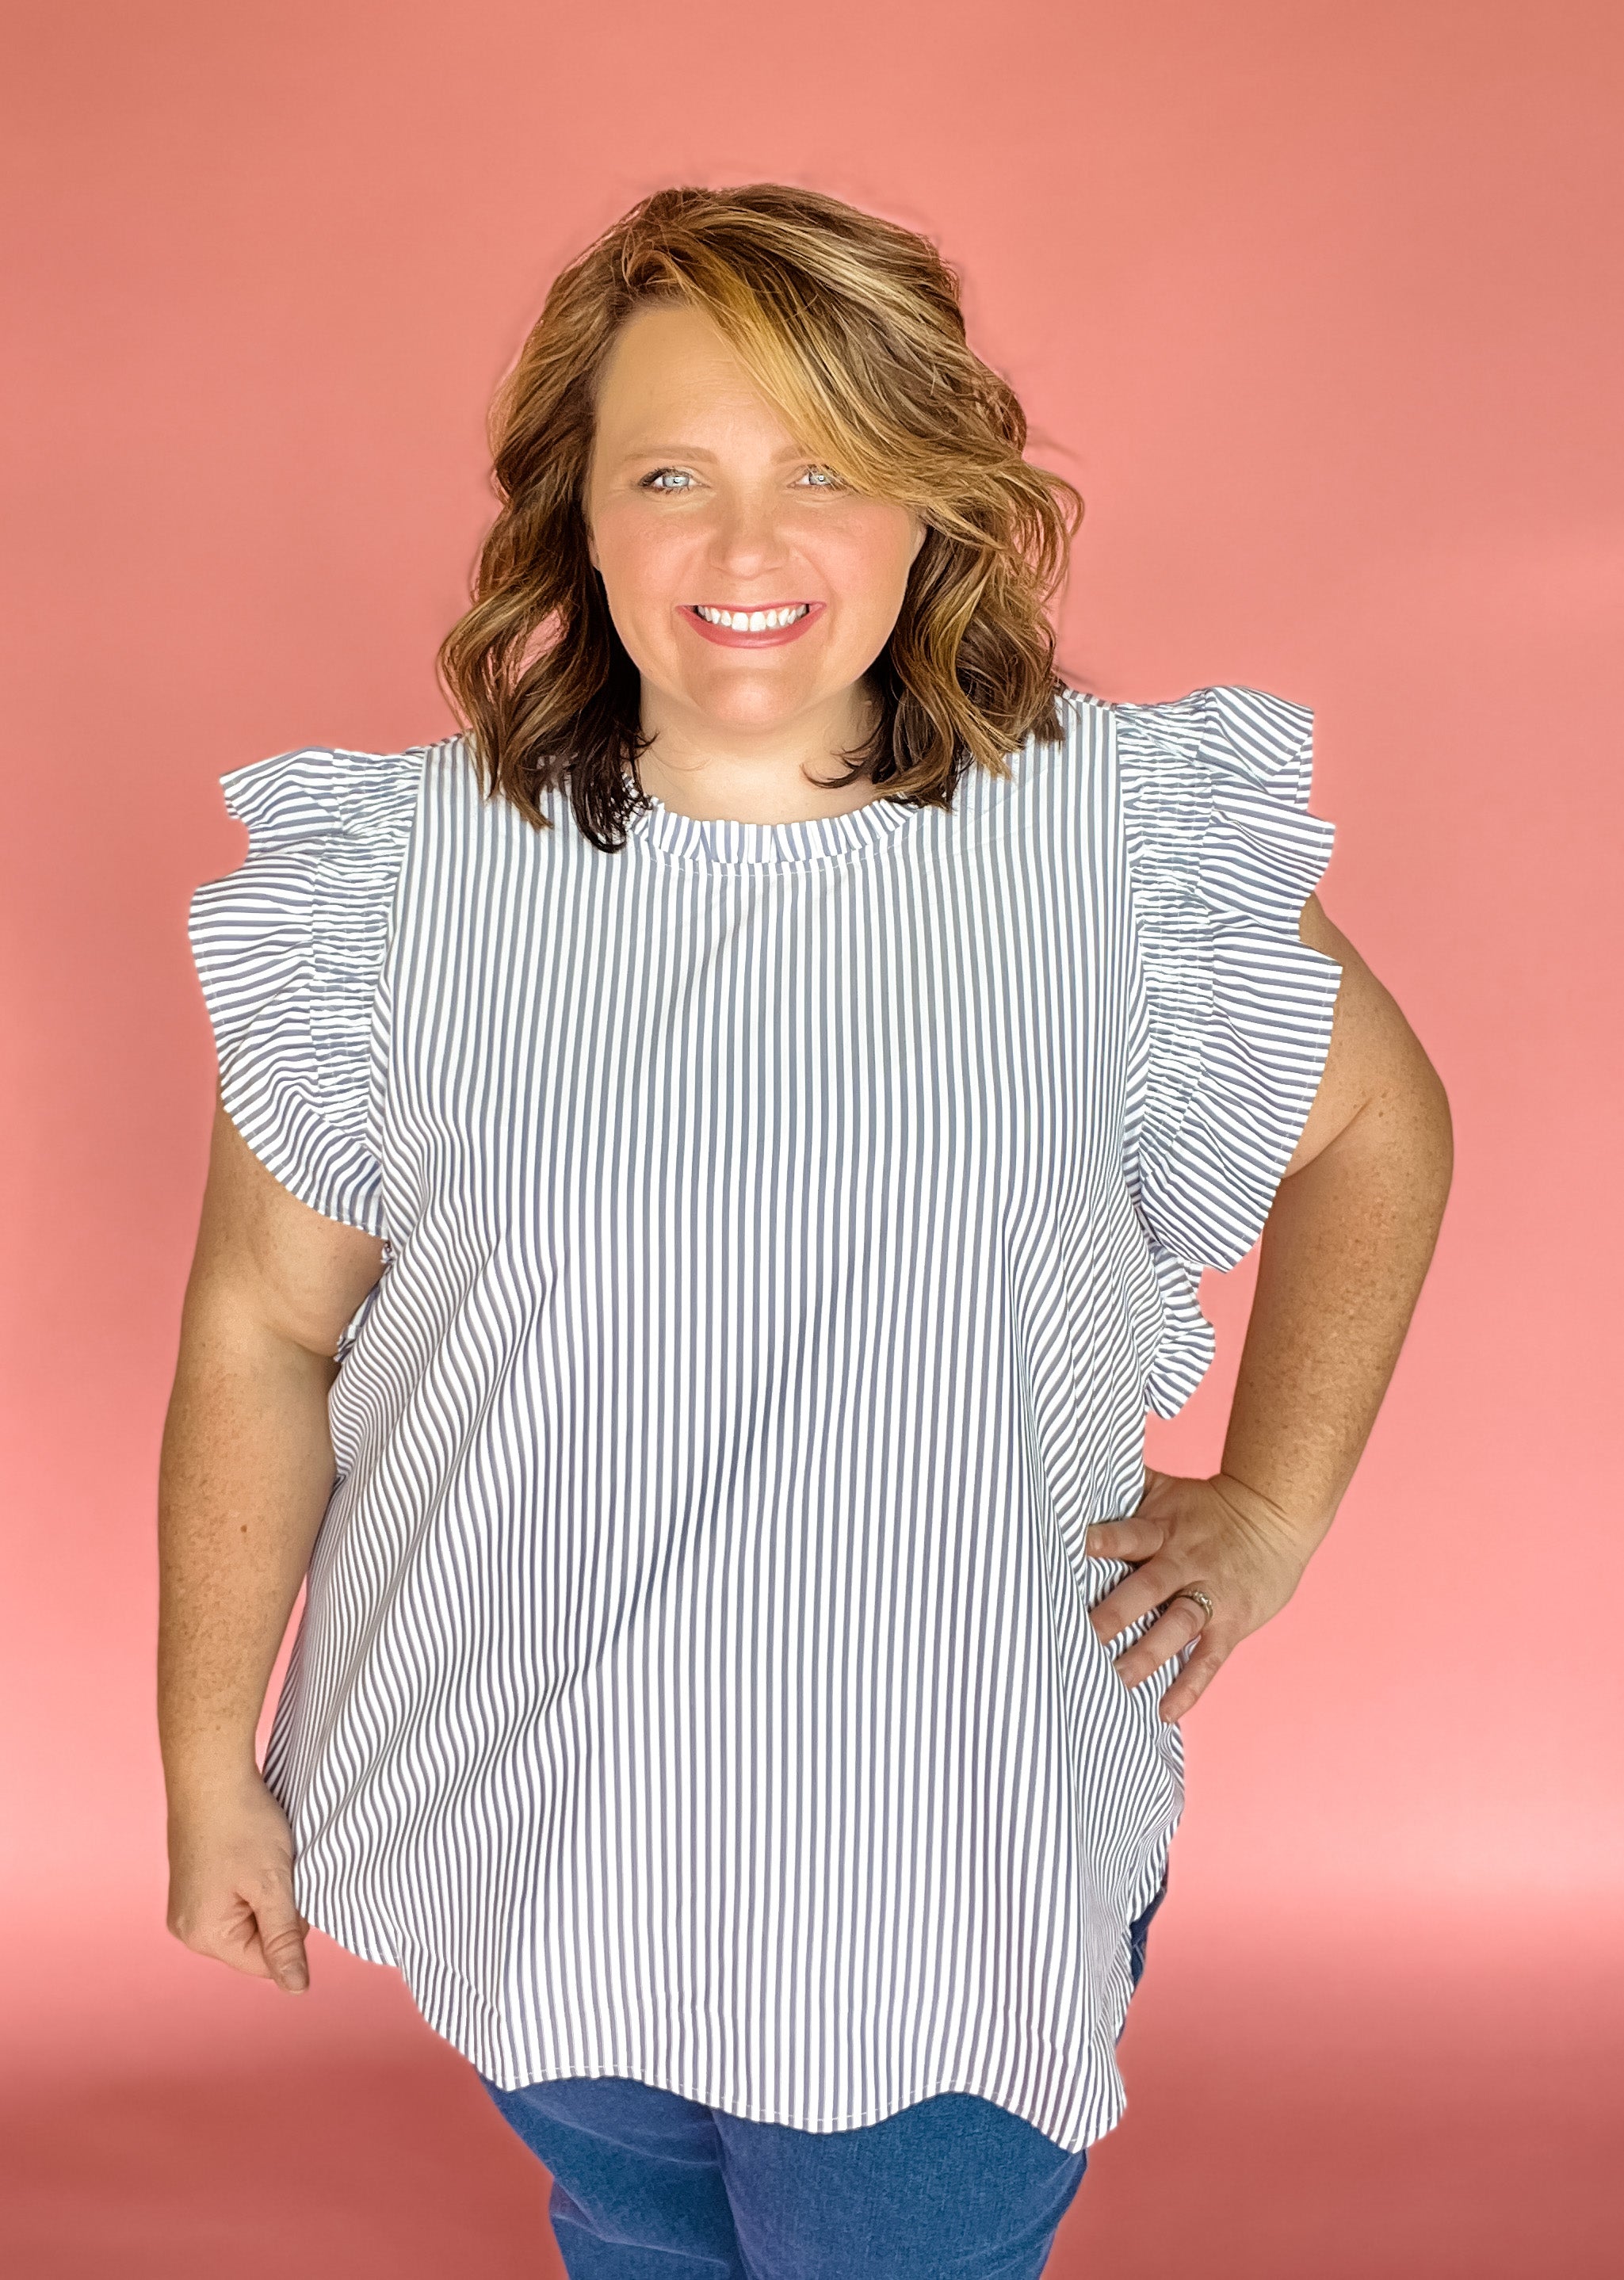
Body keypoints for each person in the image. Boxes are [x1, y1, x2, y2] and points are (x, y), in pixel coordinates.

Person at [159, 183, 1453, 2278]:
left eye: (825, 472)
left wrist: (1275, 1511)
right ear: (577, 515)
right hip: (523, 1813)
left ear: (932, 505)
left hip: (944, 1849)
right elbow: (261, 1329)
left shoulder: (1112, 852)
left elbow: (1375, 1129)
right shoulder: (394, 886)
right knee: (633, 2234)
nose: (746, 551)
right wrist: (207, 1763)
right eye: (671, 476)